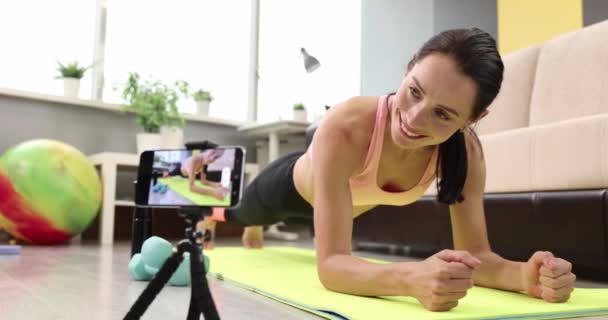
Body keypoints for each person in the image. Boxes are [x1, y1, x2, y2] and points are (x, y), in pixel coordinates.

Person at [198, 28, 576, 311]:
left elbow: (477, 256)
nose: (412, 119)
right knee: (242, 210)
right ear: (409, 68)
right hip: (289, 191)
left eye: (442, 114)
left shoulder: (466, 156)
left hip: (342, 207)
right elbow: (330, 265)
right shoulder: (345, 125)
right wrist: (410, 278)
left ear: (474, 118)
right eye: (414, 91)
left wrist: (525, 276)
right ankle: (214, 217)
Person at [163, 149, 229, 201]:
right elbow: (191, 187)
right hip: (179, 170)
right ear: (206, 150)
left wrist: (217, 185)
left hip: (189, 173)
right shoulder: (195, 159)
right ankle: (167, 173)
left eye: (216, 157)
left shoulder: (205, 163)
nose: (212, 158)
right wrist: (213, 192)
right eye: (212, 152)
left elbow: (203, 181)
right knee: (169, 174)